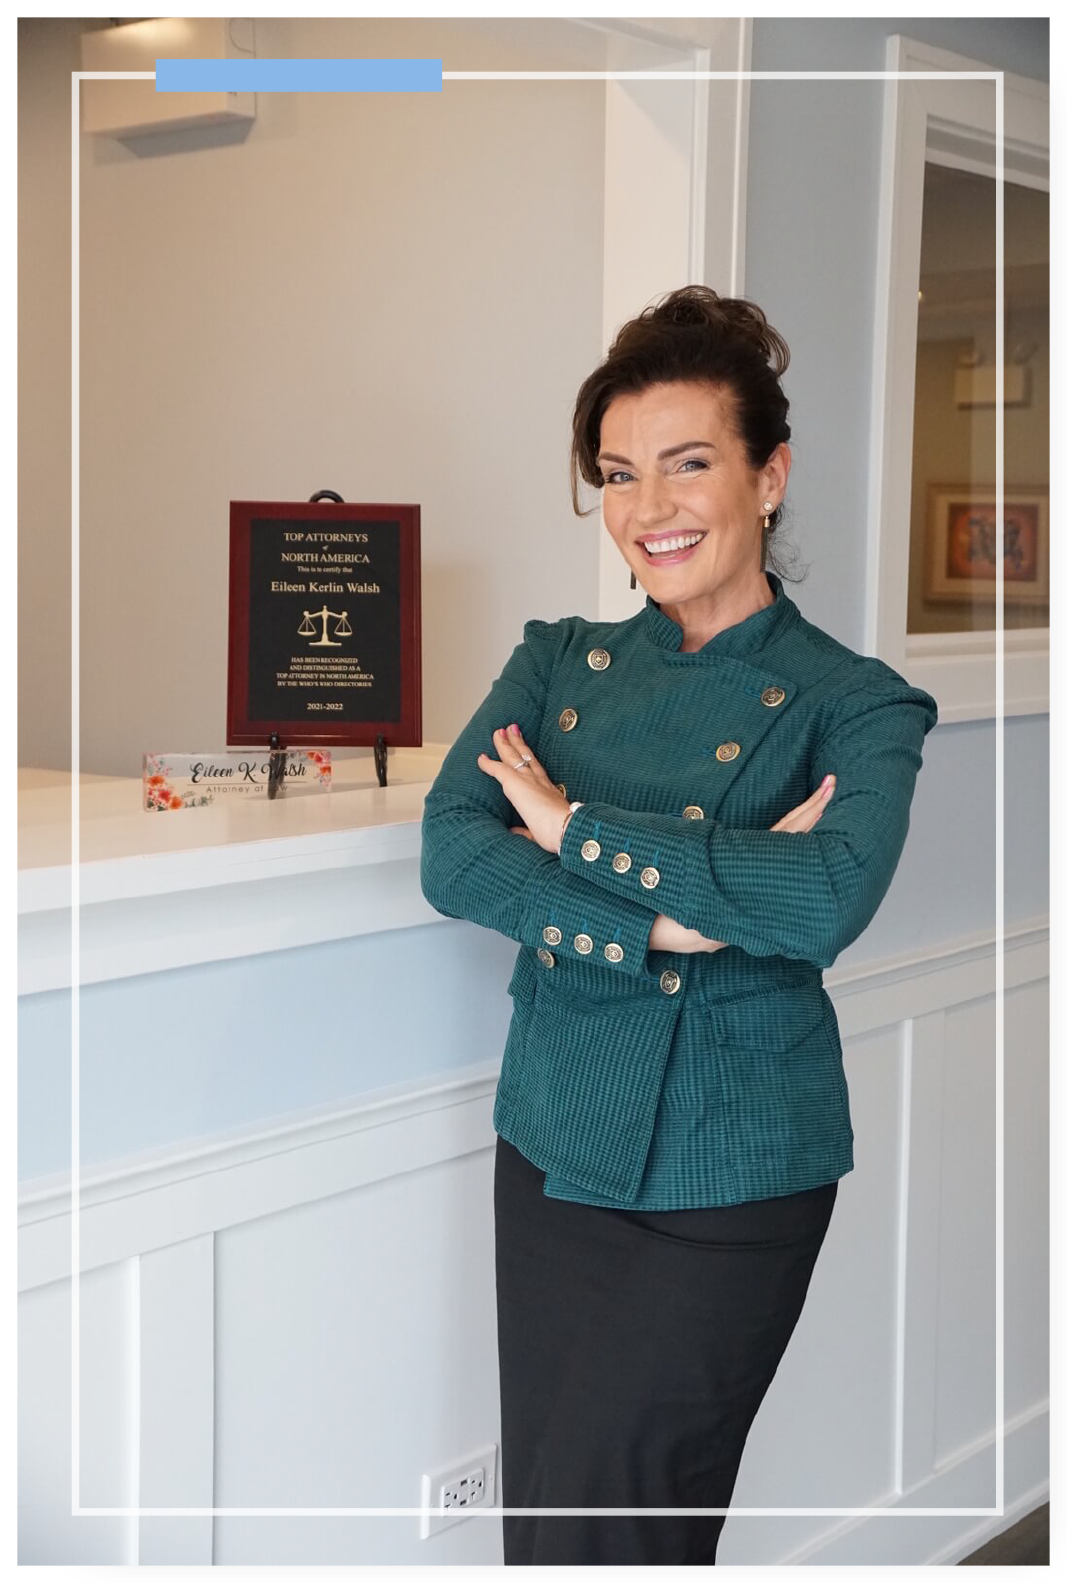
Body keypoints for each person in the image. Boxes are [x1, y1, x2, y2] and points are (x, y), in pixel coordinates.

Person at [419, 285, 938, 1567]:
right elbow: (448, 851)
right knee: (548, 1510)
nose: (648, 509)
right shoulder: (556, 658)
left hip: (729, 1166)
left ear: (769, 476)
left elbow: (821, 898)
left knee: (623, 1525)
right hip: (547, 1142)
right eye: (616, 474)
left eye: (687, 464)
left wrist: (570, 827)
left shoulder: (857, 703)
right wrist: (663, 927)